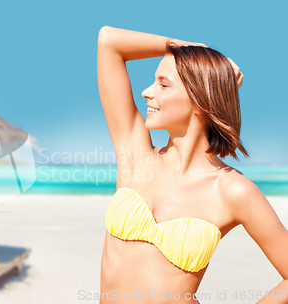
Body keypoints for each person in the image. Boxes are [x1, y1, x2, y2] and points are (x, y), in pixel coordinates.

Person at [97, 26, 288, 303]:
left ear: (200, 99)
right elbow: (109, 42)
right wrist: (194, 49)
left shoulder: (232, 190)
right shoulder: (135, 155)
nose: (146, 92)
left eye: (163, 84)